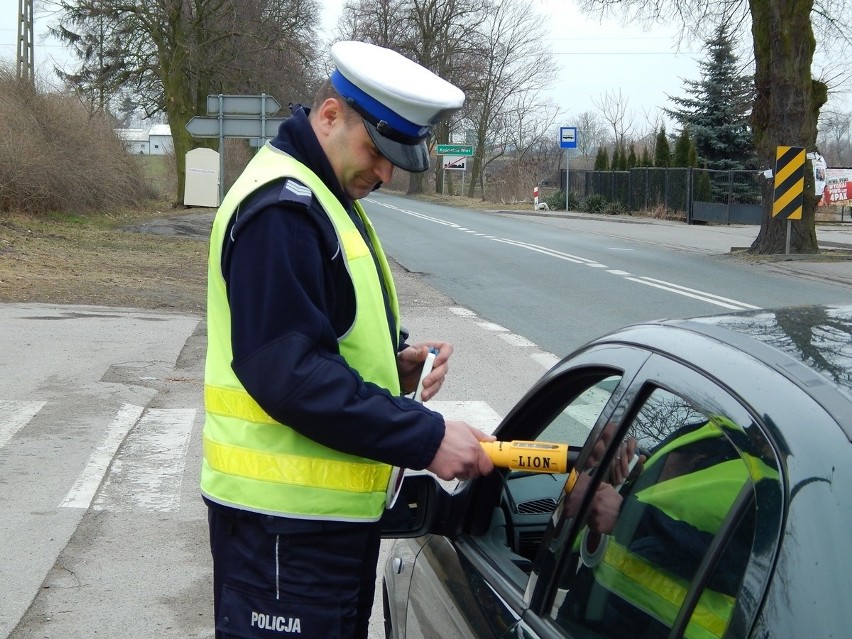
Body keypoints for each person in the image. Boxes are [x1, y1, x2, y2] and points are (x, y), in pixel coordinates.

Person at [201, 40, 494, 639]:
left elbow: (316, 335)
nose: (386, 172)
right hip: (284, 531)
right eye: (378, 151)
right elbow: (289, 374)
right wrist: (427, 437)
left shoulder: (320, 193)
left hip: (316, 527)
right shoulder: (283, 209)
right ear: (330, 116)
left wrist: (394, 368)